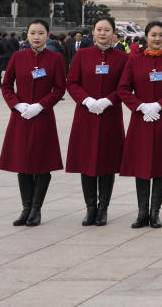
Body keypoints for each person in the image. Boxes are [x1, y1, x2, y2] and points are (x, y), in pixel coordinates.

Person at [117, 21, 162, 228]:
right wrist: (140, 107)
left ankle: (155, 212)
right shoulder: (134, 61)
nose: (157, 39)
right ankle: (141, 212)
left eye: (161, 35)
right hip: (141, 120)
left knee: (161, 164)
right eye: (153, 35)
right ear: (146, 37)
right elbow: (123, 89)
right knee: (141, 164)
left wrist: (159, 105)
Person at [0, 19, 66, 226]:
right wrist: (17, 105)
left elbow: (59, 88)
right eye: (33, 33)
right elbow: (6, 85)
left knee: (42, 164)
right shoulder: (18, 57)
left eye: (41, 33)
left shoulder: (55, 58)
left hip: (43, 117)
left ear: (48, 35)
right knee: (23, 163)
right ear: (26, 35)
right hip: (21, 117)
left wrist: (42, 105)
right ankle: (26, 208)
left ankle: (36, 209)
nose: (36, 37)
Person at [65, 16, 130, 226]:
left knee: (107, 163)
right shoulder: (82, 55)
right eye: (99, 29)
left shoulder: (122, 58)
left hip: (110, 116)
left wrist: (108, 100)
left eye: (107, 30)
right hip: (86, 116)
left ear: (114, 34)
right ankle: (90, 208)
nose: (103, 33)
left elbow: (124, 87)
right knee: (86, 162)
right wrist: (86, 100)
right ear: (92, 32)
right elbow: (72, 83)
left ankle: (103, 209)